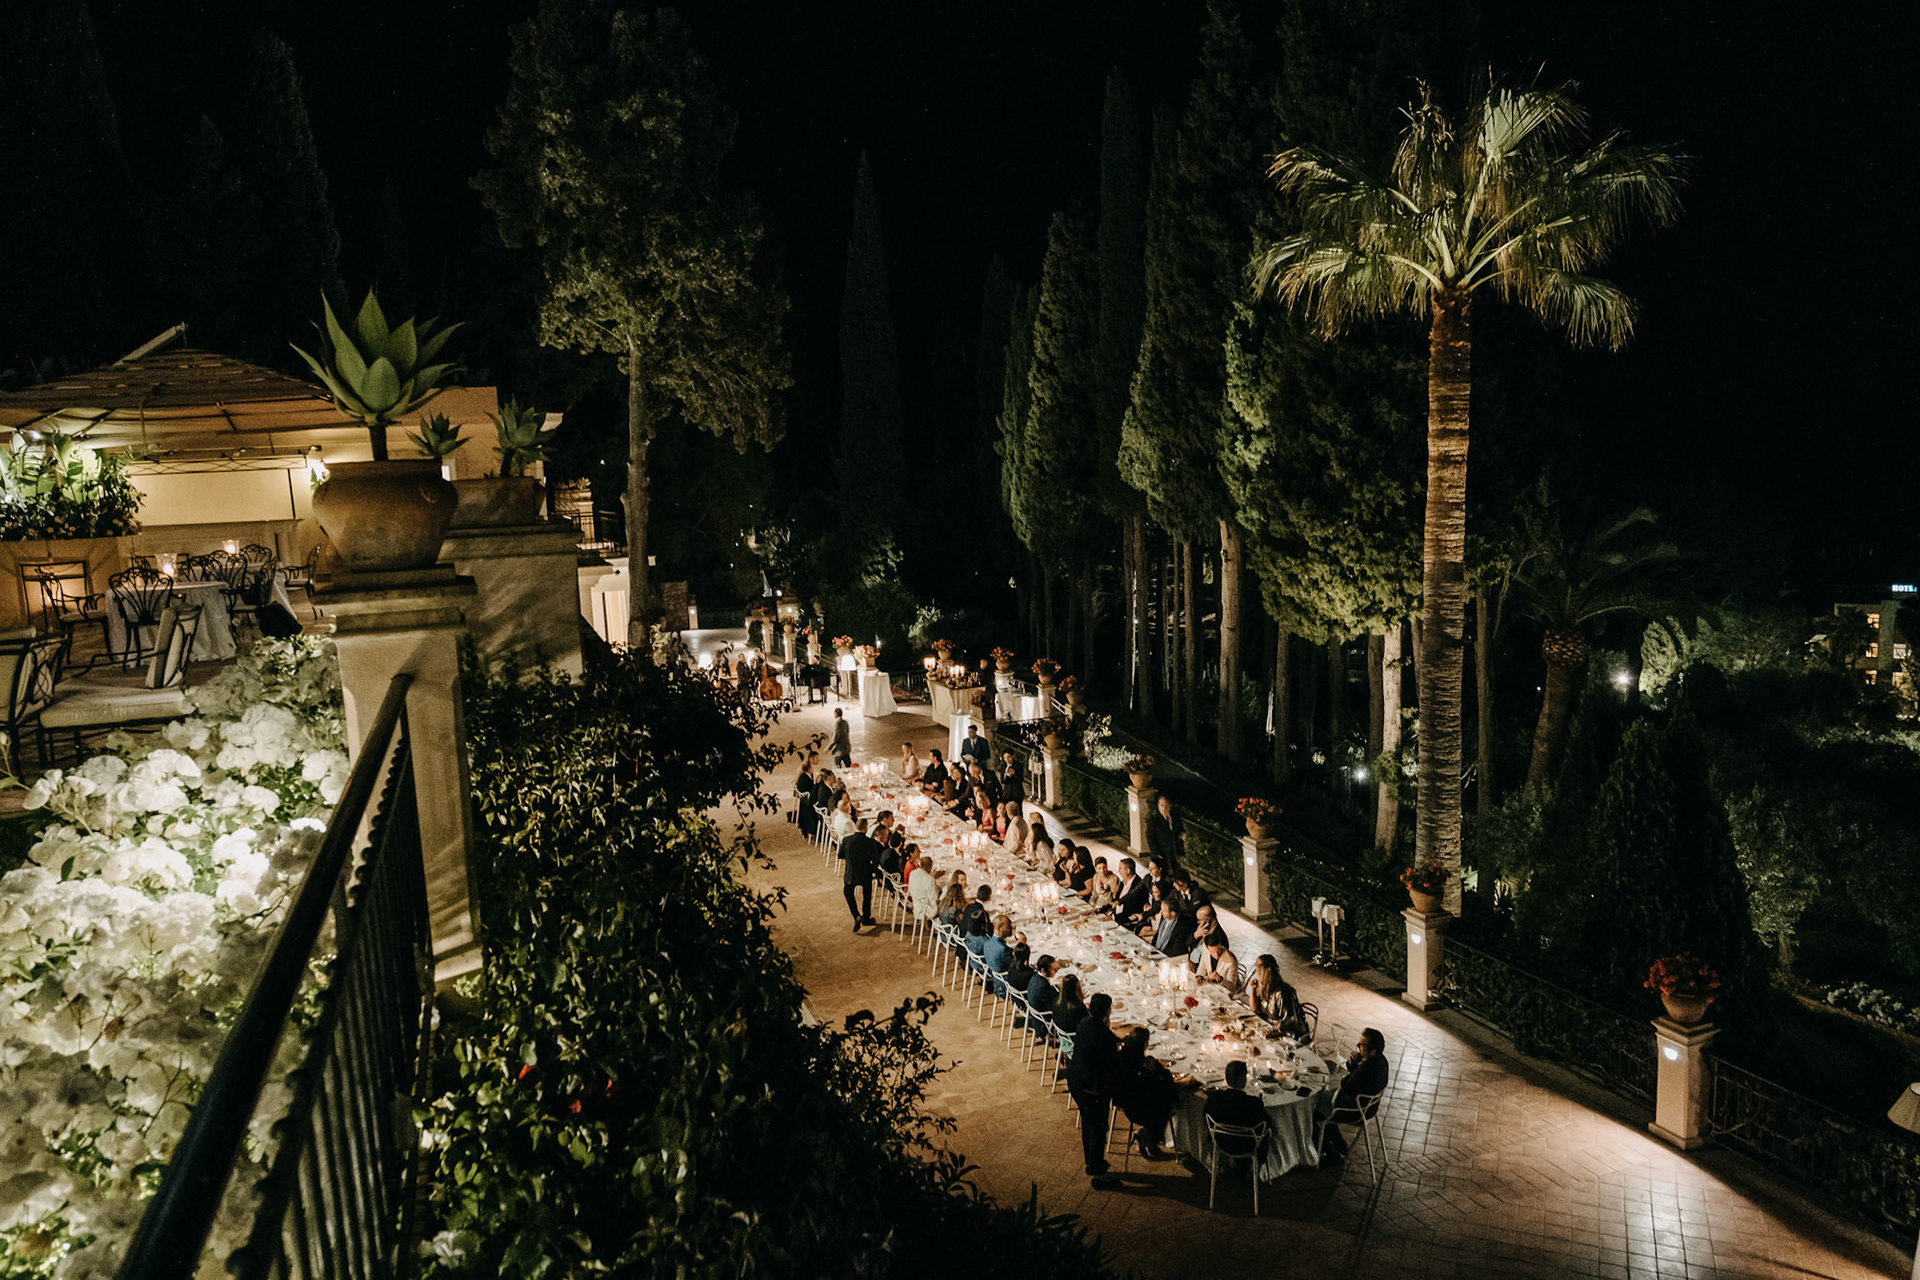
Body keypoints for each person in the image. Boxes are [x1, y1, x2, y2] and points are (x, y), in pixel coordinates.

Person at [1065, 993, 1122, 1189]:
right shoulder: (1103, 1036)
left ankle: (1091, 1161)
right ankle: (1098, 1174)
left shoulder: (1084, 1024)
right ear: (1107, 1011)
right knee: (1098, 1128)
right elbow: (1113, 1062)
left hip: (1077, 1081)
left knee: (1088, 1123)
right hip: (1092, 1088)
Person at [1320, 1028, 1389, 1164]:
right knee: (1326, 1103)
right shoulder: (1381, 1061)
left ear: (1373, 1050)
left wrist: (1356, 1065)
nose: (1357, 1048)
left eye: (1360, 1045)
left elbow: (1346, 1085)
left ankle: (1331, 1154)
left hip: (1356, 1111)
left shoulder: (1367, 1068)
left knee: (1318, 1112)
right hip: (1370, 1108)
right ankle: (1339, 1144)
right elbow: (1354, 1081)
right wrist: (1355, 1065)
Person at [1113, 1026, 1178, 1161]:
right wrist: (1155, 1066)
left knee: (1162, 1102)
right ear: (1144, 1044)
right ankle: (1147, 1136)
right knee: (1166, 1106)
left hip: (1125, 1103)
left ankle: (1149, 1140)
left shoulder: (1123, 1056)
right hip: (1139, 1110)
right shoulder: (1140, 1067)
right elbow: (1156, 1082)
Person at [1203, 1060, 1271, 1161]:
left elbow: (1205, 1115)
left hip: (1221, 1141)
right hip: (1247, 1145)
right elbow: (1266, 1124)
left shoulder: (1214, 1098)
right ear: (1243, 1079)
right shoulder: (1253, 1103)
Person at [840, 816, 879, 931]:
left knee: (848, 893)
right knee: (867, 895)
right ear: (866, 828)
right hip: (865, 873)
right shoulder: (870, 842)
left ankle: (856, 915)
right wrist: (871, 869)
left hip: (851, 872)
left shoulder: (846, 840)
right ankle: (866, 917)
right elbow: (876, 860)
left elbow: (840, 855)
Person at [1108, 858, 1152, 929]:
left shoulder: (1138, 885)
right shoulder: (1123, 883)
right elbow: (1117, 900)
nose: (1118, 870)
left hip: (1128, 923)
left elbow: (1132, 910)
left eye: (1120, 868)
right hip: (1116, 919)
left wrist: (1112, 918)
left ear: (1128, 870)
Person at [1147, 794, 1179, 870]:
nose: (1164, 808)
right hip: (1161, 855)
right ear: (1158, 805)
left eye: (1166, 806)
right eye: (1162, 806)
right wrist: (1156, 853)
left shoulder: (1174, 818)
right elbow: (1150, 837)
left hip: (1173, 854)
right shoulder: (1154, 820)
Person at [1025, 955, 1059, 1020]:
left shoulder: (1035, 977)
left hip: (1035, 1015)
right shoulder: (1043, 986)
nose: (1056, 971)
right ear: (1043, 971)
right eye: (1054, 969)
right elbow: (1053, 1007)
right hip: (1044, 1021)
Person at [907, 854, 937, 921]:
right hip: (926, 910)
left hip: (916, 906)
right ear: (930, 867)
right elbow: (933, 900)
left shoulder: (912, 873)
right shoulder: (929, 879)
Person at [794, 756, 818, 837]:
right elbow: (811, 790)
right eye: (812, 767)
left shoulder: (804, 776)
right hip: (807, 801)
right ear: (809, 769)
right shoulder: (806, 779)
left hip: (804, 800)